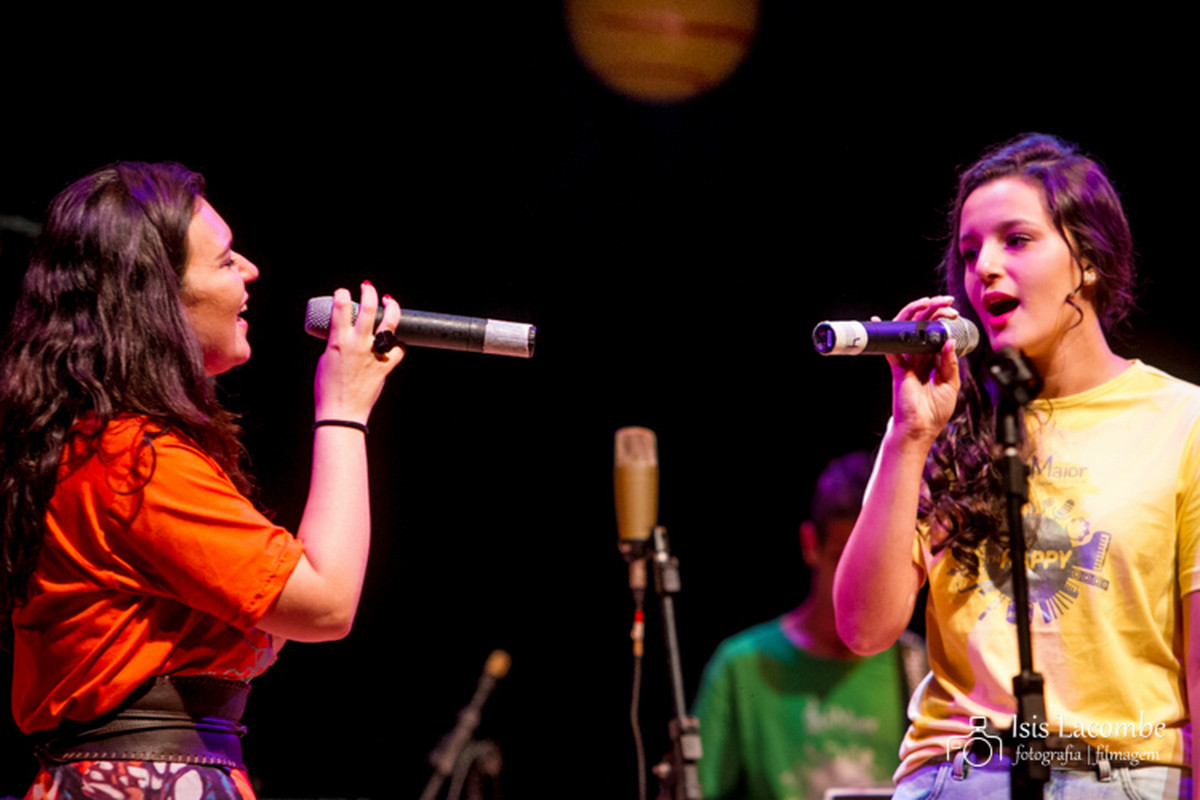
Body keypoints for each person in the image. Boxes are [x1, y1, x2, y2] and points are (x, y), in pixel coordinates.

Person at [0, 162, 404, 799]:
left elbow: (286, 607)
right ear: (157, 296)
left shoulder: (110, 448)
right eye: (223, 262)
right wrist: (344, 410)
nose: (250, 270)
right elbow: (324, 603)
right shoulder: (130, 460)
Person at [833, 133, 1200, 799]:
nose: (986, 269)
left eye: (1017, 240)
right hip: (960, 771)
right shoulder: (947, 428)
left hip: (1123, 774)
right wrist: (908, 435)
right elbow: (863, 628)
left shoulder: (1182, 422)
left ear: (1087, 259)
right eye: (970, 252)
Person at [693, 451, 924, 800]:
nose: (860, 588)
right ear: (809, 544)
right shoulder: (740, 666)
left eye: (876, 567)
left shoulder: (917, 664)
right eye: (843, 562)